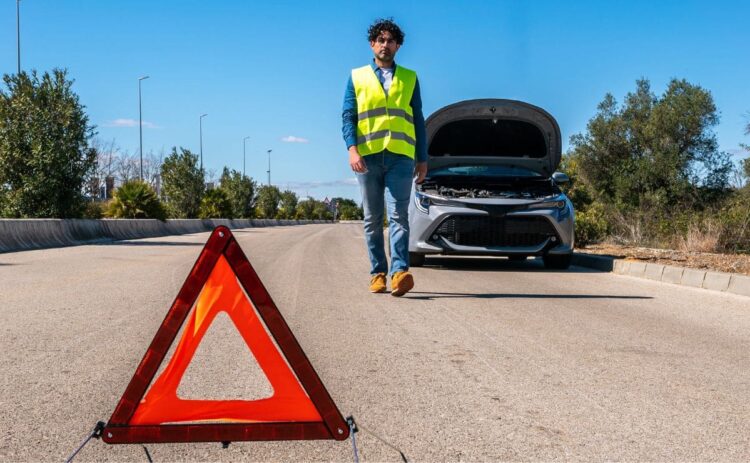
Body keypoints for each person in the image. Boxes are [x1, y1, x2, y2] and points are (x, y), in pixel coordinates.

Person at [342, 18, 427, 297]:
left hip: (401, 156)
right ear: (372, 44)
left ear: (398, 46)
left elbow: (418, 120)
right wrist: (352, 149)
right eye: (381, 40)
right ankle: (378, 272)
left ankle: (399, 272)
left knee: (399, 215)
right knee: (372, 218)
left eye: (391, 41)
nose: (385, 45)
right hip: (367, 157)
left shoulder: (410, 78)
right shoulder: (356, 77)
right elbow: (348, 116)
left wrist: (422, 158)